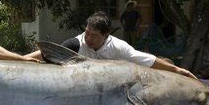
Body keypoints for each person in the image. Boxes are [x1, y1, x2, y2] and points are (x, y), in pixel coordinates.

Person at [25, 11, 196, 79]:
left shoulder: (119, 48)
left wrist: (178, 70)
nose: (88, 38)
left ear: (106, 35)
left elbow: (148, 61)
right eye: (87, 32)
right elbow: (47, 53)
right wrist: (19, 59)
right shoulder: (77, 43)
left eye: (94, 35)